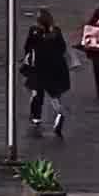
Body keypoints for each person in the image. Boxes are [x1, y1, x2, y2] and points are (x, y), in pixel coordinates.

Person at [20, 9, 71, 137]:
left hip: (38, 68)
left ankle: (36, 116)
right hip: (54, 69)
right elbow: (62, 48)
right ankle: (60, 113)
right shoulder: (56, 32)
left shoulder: (34, 31)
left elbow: (27, 47)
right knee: (54, 95)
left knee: (36, 93)